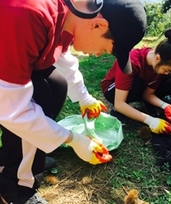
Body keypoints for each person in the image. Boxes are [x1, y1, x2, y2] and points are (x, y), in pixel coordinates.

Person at [0, 0, 147, 203]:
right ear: (98, 25)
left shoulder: (69, 14)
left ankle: (21, 158)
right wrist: (74, 140)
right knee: (39, 93)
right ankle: (14, 189)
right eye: (105, 49)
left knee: (56, 84)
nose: (97, 54)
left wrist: (84, 98)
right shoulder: (27, 16)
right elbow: (11, 109)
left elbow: (62, 57)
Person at [100, 28, 171, 135]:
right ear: (157, 58)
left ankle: (145, 105)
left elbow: (148, 93)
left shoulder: (158, 66)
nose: (166, 73)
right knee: (137, 82)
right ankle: (120, 113)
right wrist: (150, 121)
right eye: (167, 70)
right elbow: (119, 103)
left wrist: (166, 106)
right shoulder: (132, 62)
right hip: (113, 89)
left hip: (141, 85)